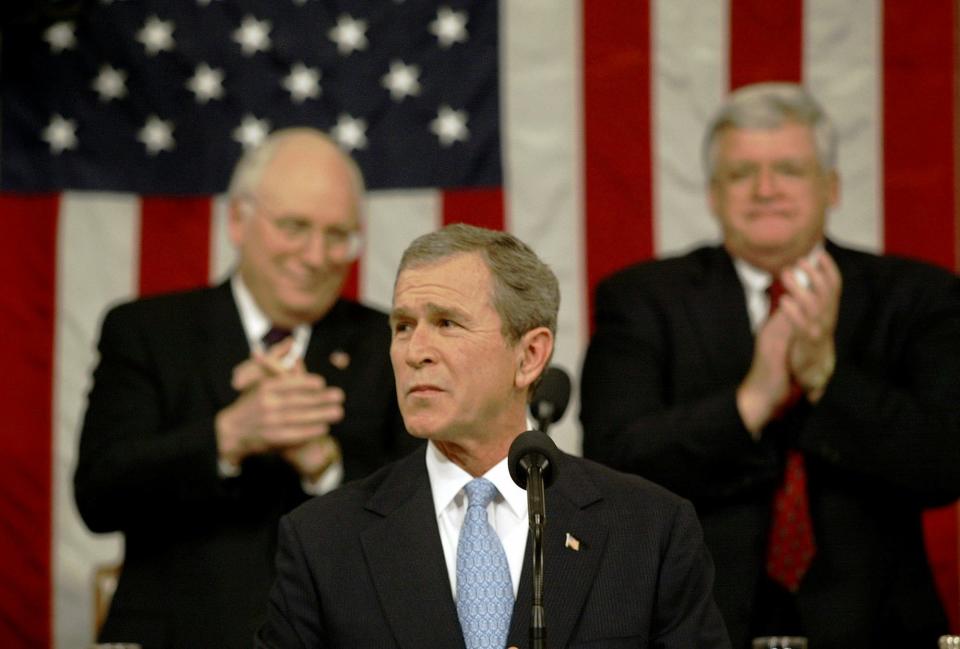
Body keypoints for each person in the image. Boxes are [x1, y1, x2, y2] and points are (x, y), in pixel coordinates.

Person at [580, 82, 960, 648]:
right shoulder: (642, 300)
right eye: (741, 174)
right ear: (712, 193)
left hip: (880, 628)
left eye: (788, 169)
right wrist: (751, 402)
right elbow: (613, 463)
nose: (765, 190)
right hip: (697, 626)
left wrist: (827, 377)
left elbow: (945, 463)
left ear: (830, 186)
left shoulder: (918, 296)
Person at [255, 223, 731, 648]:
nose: (414, 351)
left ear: (529, 357)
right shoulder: (323, 542)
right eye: (403, 326)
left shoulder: (649, 531)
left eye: (446, 323)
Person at [73, 128, 417, 649]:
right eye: (295, 226)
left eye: (338, 234)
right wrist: (228, 437)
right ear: (238, 220)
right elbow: (100, 496)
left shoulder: (393, 344)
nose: (317, 254)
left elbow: (424, 524)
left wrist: (324, 464)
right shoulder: (148, 332)